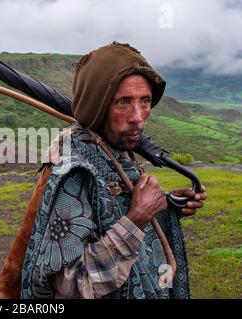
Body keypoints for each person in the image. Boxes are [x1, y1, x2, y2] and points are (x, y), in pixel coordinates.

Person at [20, 42, 207, 299]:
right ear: (98, 106)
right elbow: (70, 287)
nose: (138, 117)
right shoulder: (76, 173)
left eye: (145, 101)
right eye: (123, 102)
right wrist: (138, 218)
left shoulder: (115, 150)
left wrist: (165, 206)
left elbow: (113, 215)